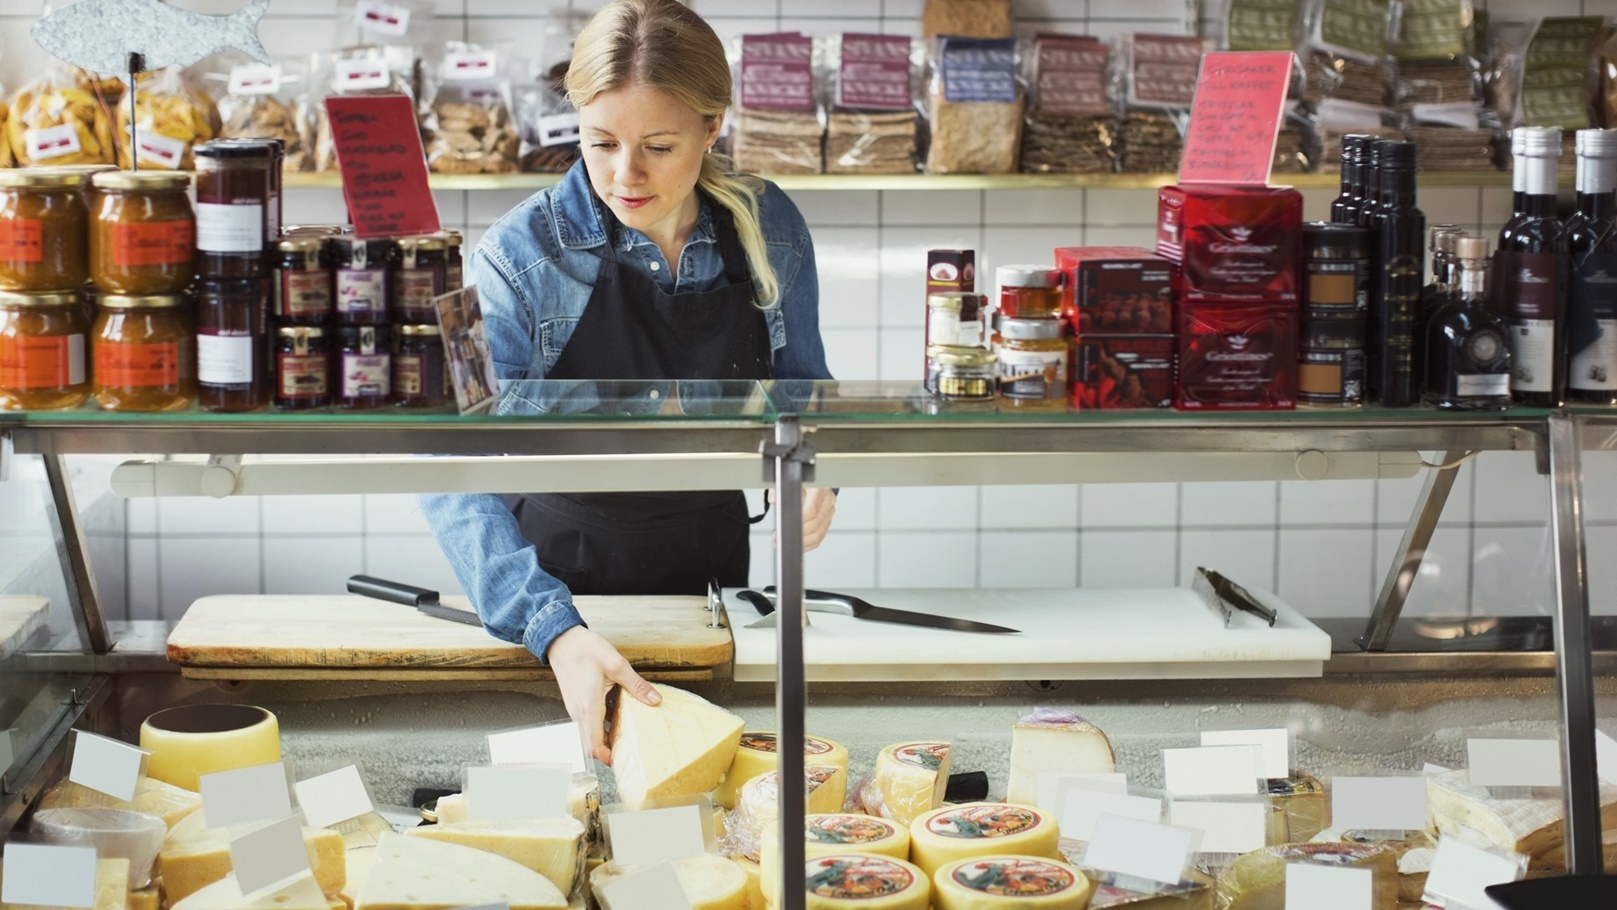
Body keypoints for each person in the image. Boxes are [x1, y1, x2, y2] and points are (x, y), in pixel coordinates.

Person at [419, 0, 837, 763]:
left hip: (711, 573)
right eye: (600, 142)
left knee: (696, 791)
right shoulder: (519, 255)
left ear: (712, 128)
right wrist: (551, 628)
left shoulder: (769, 225)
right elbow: (446, 458)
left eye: (658, 146)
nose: (624, 174)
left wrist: (813, 472)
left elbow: (803, 388)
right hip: (559, 579)